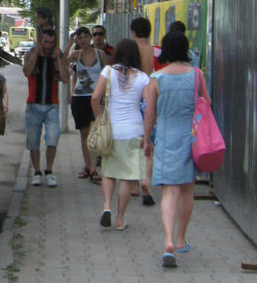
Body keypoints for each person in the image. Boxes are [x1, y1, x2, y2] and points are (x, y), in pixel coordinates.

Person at [143, 30, 211, 268]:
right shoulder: (196, 74)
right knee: (187, 191)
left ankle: (168, 241)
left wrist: (147, 141)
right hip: (190, 139)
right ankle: (181, 239)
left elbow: (150, 113)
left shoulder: (156, 78)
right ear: (185, 49)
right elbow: (207, 104)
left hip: (165, 137)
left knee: (169, 192)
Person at [90, 39, 149, 231]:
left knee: (108, 173)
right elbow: (149, 106)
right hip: (133, 131)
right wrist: (148, 135)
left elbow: (95, 98)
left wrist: (99, 119)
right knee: (126, 177)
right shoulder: (142, 77)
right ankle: (120, 219)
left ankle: (107, 206)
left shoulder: (107, 72)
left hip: (111, 131)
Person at [23, 29, 69, 187]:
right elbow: (27, 71)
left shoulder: (57, 56)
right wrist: (36, 53)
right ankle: (36, 171)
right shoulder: (30, 54)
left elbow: (64, 78)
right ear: (40, 41)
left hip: (52, 105)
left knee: (52, 138)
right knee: (33, 140)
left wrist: (58, 59)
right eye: (46, 42)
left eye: (52, 43)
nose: (48, 46)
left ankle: (49, 170)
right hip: (33, 104)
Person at [66, 26, 107, 183]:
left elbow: (109, 71)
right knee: (84, 134)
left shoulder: (100, 54)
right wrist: (70, 44)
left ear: (90, 37)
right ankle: (89, 167)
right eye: (79, 37)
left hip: (96, 97)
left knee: (94, 132)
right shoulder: (76, 55)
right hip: (80, 97)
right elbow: (62, 61)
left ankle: (93, 168)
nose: (82, 40)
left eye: (85, 37)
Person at [129, 16, 160, 204]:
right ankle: (146, 179)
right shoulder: (157, 51)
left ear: (133, 32)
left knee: (134, 145)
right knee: (149, 144)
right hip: (151, 99)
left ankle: (133, 185)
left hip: (133, 98)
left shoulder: (130, 51)